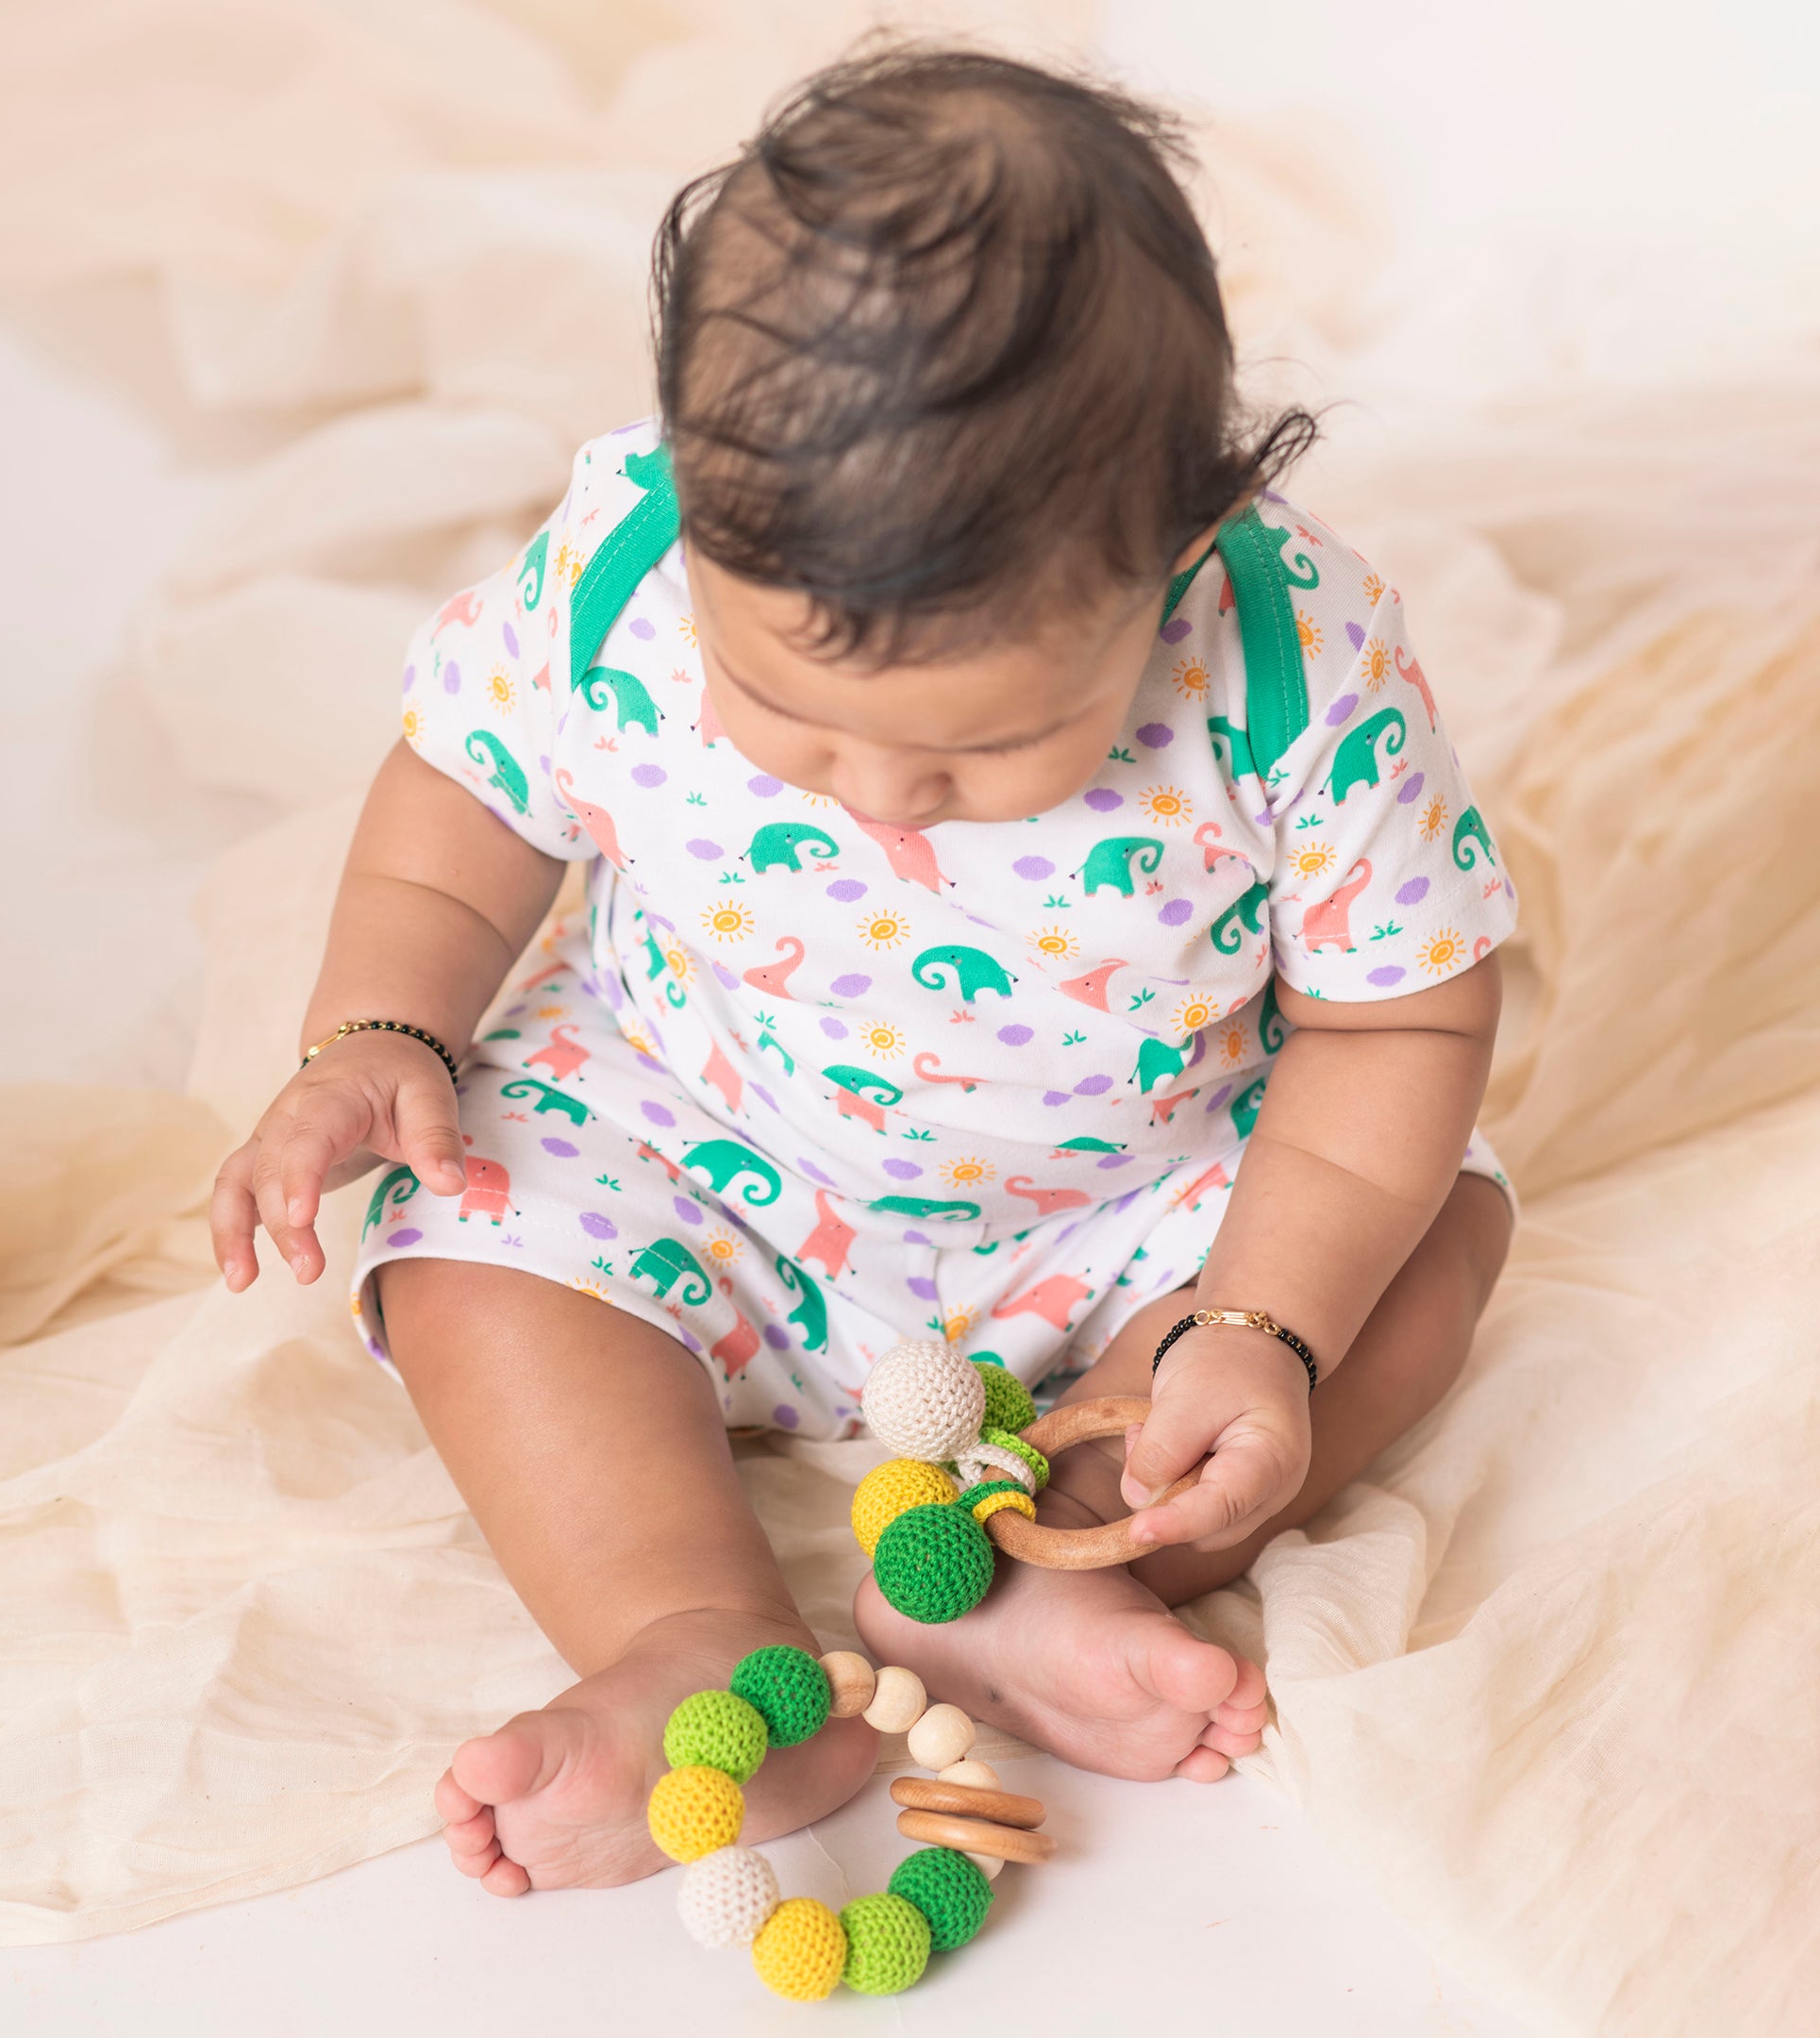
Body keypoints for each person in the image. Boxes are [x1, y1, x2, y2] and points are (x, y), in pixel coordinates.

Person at [210, 44, 1516, 1897]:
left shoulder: (1298, 666)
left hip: (1132, 1209)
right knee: (464, 1241)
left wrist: (1259, 1326)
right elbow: (460, 798)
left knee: (1428, 1237)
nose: (888, 795)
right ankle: (697, 1641)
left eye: (987, 751)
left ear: (1174, 557)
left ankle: (1044, 1563)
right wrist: (381, 1027)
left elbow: (1402, 1019)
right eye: (790, 720)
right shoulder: (621, 575)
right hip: (697, 1136)